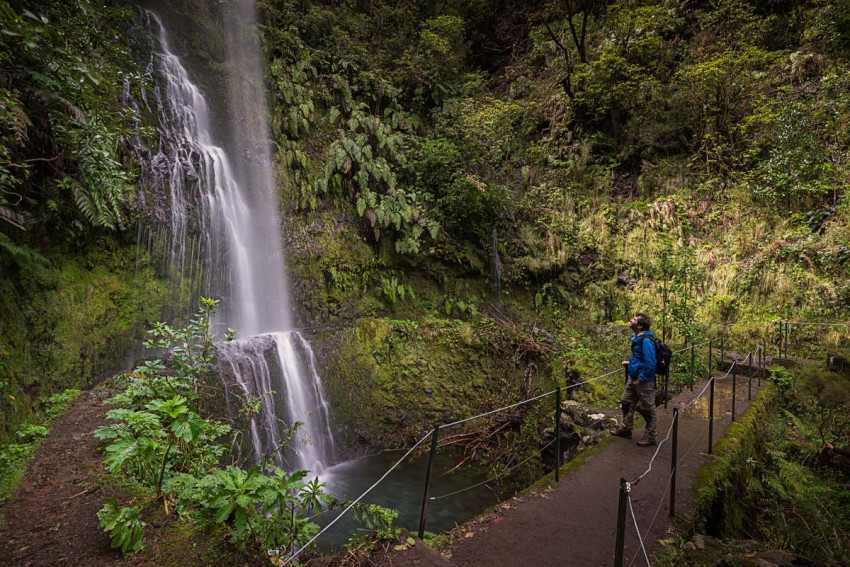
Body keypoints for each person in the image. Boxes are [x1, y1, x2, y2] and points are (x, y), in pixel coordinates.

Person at [610, 312, 657, 446]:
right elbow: (639, 357)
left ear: (640, 326)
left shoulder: (646, 341)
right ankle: (626, 428)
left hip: (644, 380)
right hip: (634, 377)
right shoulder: (636, 338)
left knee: (648, 409)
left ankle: (650, 436)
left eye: (634, 319)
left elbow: (650, 363)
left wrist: (641, 379)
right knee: (626, 401)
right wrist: (630, 364)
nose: (631, 320)